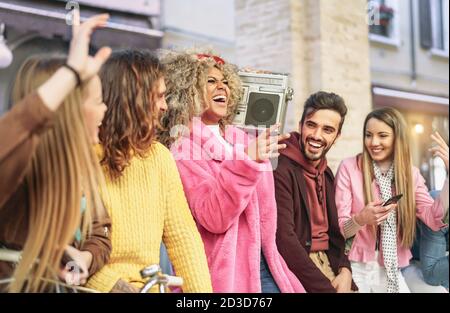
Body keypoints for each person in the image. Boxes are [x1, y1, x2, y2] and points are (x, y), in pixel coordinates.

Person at [159, 51, 305, 293]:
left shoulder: (240, 139)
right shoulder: (183, 147)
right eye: (210, 81)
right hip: (226, 274)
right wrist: (246, 160)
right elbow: (213, 216)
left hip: (267, 264)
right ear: (189, 90)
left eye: (226, 82)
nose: (222, 87)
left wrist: (261, 87)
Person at [0, 13, 112, 292]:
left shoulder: (79, 166)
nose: (104, 110)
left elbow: (99, 232)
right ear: (70, 113)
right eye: (98, 101)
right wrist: (71, 73)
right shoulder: (19, 170)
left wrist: (75, 258)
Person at [85, 50, 212, 293]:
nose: (165, 106)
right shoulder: (84, 155)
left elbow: (183, 239)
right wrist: (109, 284)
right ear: (133, 98)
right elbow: (66, 245)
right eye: (159, 96)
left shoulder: (160, 157)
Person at [335, 107, 449, 293]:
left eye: (382, 135)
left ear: (398, 138)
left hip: (392, 269)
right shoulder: (349, 168)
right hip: (355, 266)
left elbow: (434, 220)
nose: (374, 142)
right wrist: (361, 219)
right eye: (368, 135)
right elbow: (341, 229)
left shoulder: (411, 175)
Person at [273, 91, 356, 293]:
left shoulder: (325, 172)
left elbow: (336, 233)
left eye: (328, 130)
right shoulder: (280, 167)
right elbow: (284, 240)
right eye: (311, 125)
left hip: (329, 262)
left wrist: (345, 270)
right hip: (298, 267)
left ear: (337, 137)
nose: (317, 136)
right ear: (301, 125)